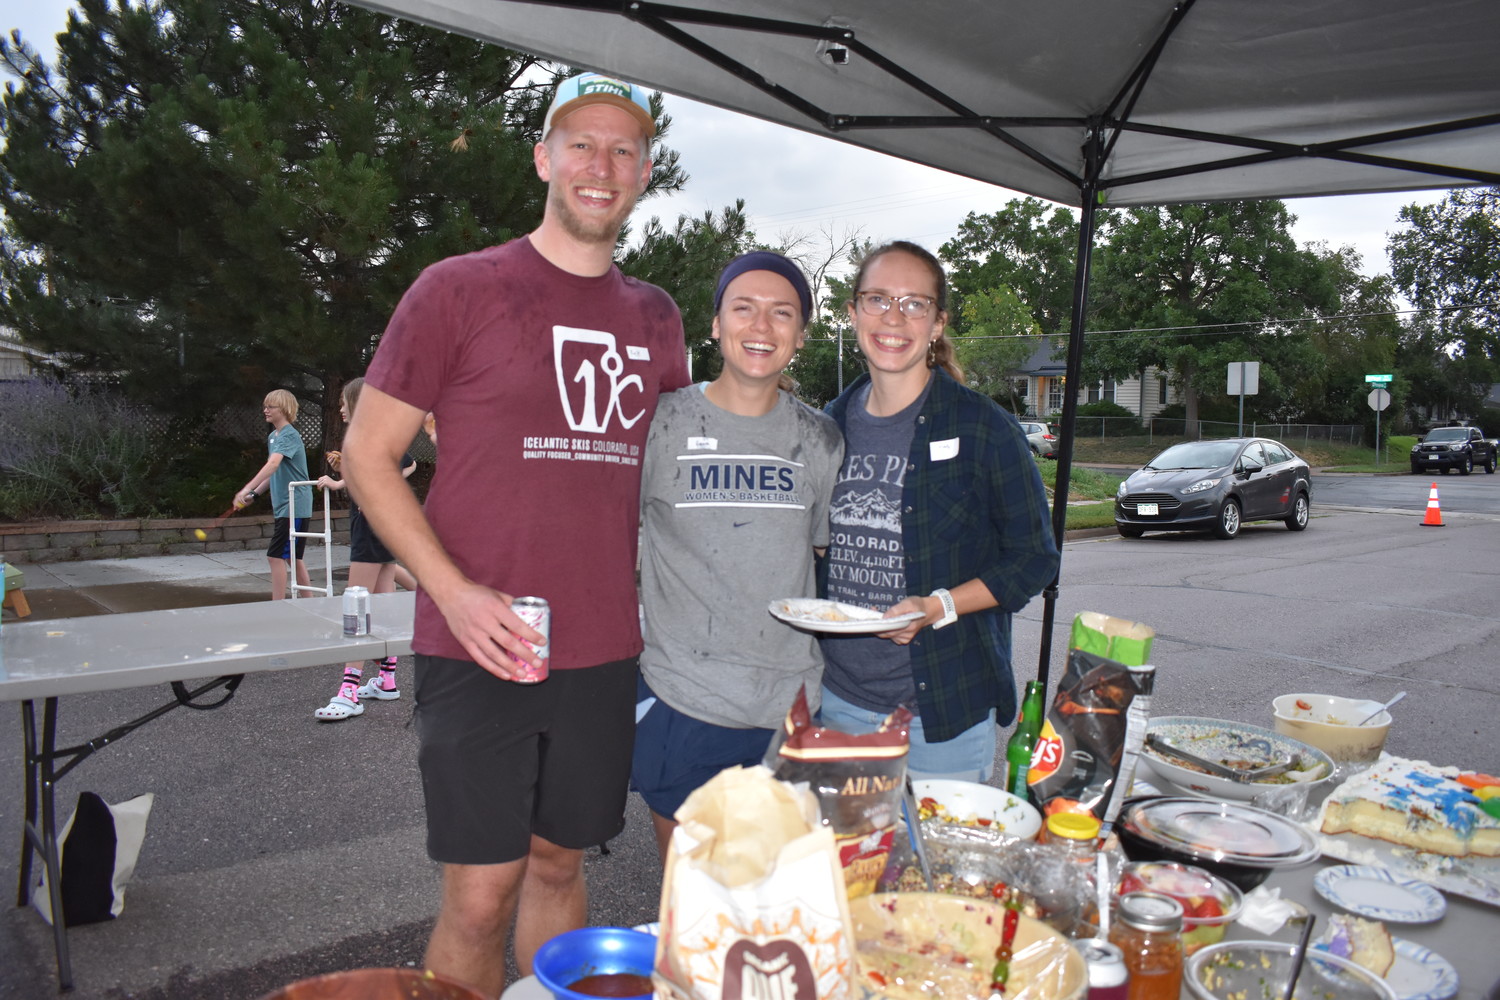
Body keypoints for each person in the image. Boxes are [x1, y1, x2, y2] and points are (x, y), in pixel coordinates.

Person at [340, 72, 688, 996]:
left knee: (558, 866)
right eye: (581, 143)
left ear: (645, 172)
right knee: (479, 895)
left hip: (604, 646)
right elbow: (368, 457)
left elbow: (670, 484)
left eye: (623, 150)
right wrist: (451, 593)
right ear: (543, 157)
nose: (600, 165)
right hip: (477, 639)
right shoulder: (458, 288)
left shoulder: (657, 318)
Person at [817, 241, 1060, 781]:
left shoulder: (983, 428)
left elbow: (1034, 558)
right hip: (837, 702)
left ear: (937, 323)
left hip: (943, 711)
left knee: (935, 866)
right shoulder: (825, 428)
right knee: (848, 865)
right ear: (853, 312)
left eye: (914, 303)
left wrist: (937, 605)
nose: (894, 317)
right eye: (877, 299)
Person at [634, 251, 844, 862]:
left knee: (774, 902)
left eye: (782, 314)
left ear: (801, 337)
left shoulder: (822, 439)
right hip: (682, 698)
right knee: (691, 899)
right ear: (716, 325)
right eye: (743, 308)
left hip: (790, 708)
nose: (761, 326)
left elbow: (825, 552)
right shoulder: (660, 424)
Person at [313, 377, 418, 721]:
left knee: (355, 607)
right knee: (383, 606)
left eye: (343, 402)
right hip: (380, 524)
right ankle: (386, 679)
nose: (340, 408)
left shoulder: (369, 435)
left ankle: (347, 692)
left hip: (372, 526)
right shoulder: (373, 436)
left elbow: (406, 463)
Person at [236, 388, 314, 600]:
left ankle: (277, 604)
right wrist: (256, 495)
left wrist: (247, 488)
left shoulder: (289, 435)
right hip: (283, 505)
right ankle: (312, 603)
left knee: (275, 556)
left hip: (295, 504)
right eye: (265, 406)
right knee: (293, 559)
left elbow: (272, 465)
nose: (266, 410)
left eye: (271, 406)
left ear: (285, 409)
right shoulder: (274, 436)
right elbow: (274, 473)